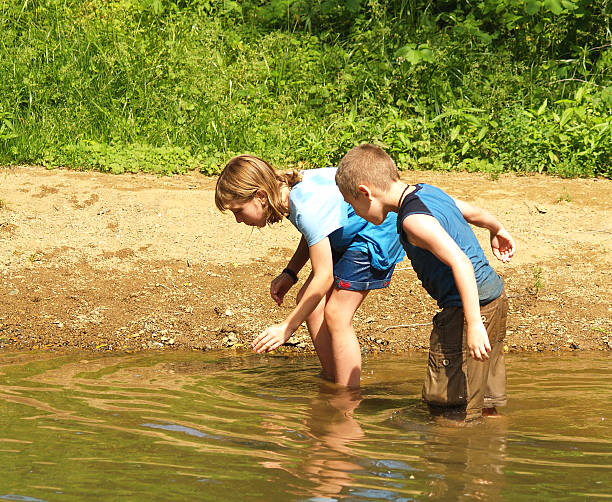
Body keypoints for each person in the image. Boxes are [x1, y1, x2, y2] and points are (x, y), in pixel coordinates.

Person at [335, 144, 515, 421]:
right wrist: (497, 228)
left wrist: (474, 324)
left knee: (446, 407)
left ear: (365, 193)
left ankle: (449, 454)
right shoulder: (427, 191)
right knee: (484, 402)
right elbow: (470, 211)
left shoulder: (413, 221)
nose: (354, 212)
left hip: (467, 310)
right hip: (493, 296)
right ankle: (491, 451)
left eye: (351, 204)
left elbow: (461, 263)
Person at [214, 155, 404, 388]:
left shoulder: (304, 205)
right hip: (347, 232)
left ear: (260, 197)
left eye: (239, 211)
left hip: (375, 229)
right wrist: (290, 273)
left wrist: (287, 327)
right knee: (308, 300)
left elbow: (324, 275)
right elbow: (314, 233)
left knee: (337, 314)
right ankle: (333, 377)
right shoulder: (288, 194)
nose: (238, 220)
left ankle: (348, 394)